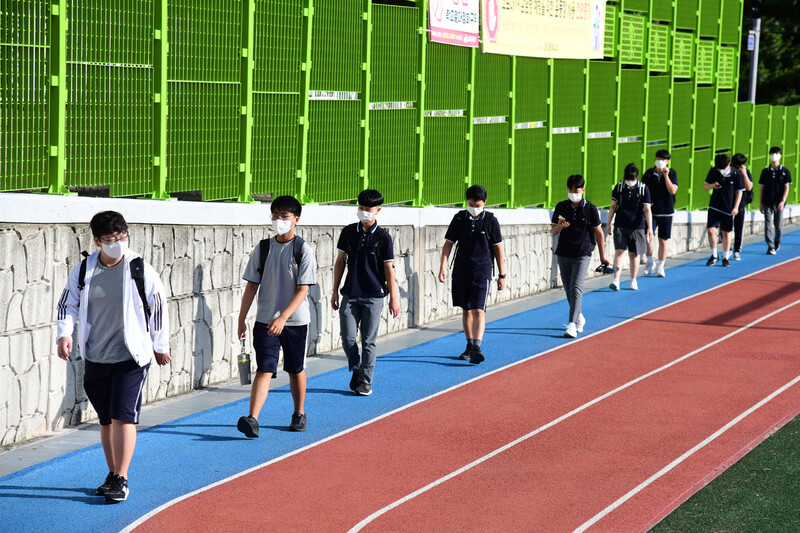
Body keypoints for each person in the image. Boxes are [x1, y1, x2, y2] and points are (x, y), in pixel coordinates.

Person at [56, 211, 171, 504]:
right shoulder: (84, 271)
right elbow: (68, 304)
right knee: (106, 420)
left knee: (123, 417)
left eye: (122, 237)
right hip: (96, 355)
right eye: (110, 239)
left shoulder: (139, 268)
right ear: (97, 241)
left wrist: (160, 345)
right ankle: (112, 474)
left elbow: (157, 307)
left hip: (131, 356)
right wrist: (64, 334)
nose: (117, 242)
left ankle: (122, 477)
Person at [237, 196, 317, 436]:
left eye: (284, 216)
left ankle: (299, 412)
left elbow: (303, 290)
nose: (279, 221)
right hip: (265, 321)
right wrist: (242, 318)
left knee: (295, 369)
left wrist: (283, 317)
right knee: (264, 369)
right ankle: (252, 419)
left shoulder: (303, 250)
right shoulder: (263, 248)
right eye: (275, 216)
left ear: (296, 220)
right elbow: (251, 286)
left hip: (294, 322)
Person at [331, 189, 400, 396]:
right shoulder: (349, 232)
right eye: (360, 208)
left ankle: (365, 382)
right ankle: (357, 368)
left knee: (368, 341)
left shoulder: (383, 237)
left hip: (374, 296)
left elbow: (389, 269)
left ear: (378, 210)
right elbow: (340, 262)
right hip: (350, 294)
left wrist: (393, 299)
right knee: (347, 338)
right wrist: (334, 291)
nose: (364, 212)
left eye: (368, 209)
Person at [438, 185, 505, 364]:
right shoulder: (459, 218)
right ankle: (469, 345)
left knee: (478, 310)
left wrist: (502, 275)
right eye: (470, 203)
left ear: (484, 203)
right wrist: (443, 267)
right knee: (466, 310)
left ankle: (477, 346)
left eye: (477, 204)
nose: (473, 207)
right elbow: (448, 244)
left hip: (482, 272)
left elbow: (498, 248)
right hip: (461, 271)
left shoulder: (491, 220)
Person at [551, 175, 611, 338]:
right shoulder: (562, 207)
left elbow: (599, 233)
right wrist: (560, 227)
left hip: (583, 253)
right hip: (563, 253)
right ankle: (579, 317)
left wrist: (603, 256)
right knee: (568, 289)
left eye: (576, 190)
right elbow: (553, 230)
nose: (573, 193)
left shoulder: (590, 209)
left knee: (576, 287)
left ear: (583, 190)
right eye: (570, 190)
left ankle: (571, 324)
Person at [606, 163, 653, 291]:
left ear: (637, 177)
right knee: (619, 251)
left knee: (634, 254)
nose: (630, 181)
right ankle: (616, 280)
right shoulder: (620, 187)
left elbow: (647, 209)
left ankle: (633, 280)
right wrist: (609, 223)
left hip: (637, 226)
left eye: (633, 178)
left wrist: (650, 228)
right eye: (628, 178)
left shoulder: (643, 188)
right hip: (621, 224)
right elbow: (613, 206)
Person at [641, 149, 678, 277]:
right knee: (649, 237)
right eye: (658, 159)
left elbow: (672, 191)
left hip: (667, 212)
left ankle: (661, 266)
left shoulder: (672, 173)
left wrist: (666, 175)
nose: (660, 162)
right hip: (651, 212)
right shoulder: (648, 174)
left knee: (663, 240)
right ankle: (650, 262)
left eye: (663, 160)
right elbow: (643, 190)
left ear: (667, 161)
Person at [704, 154, 744, 267]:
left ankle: (725, 257)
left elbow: (740, 191)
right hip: (714, 206)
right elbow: (705, 186)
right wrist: (713, 185)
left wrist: (736, 207)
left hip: (728, 208)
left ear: (728, 164)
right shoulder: (714, 171)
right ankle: (714, 255)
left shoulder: (736, 173)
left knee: (726, 232)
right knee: (711, 230)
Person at [759, 146, 792, 254]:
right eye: (772, 153)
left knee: (778, 225)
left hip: (779, 202)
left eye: (776, 154)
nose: (774, 156)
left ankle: (777, 240)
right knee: (768, 224)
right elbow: (761, 188)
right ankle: (770, 246)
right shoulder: (765, 172)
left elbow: (787, 187)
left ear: (780, 156)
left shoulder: (785, 171)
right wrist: (760, 203)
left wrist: (783, 200)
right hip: (767, 201)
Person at [732, 153, 754, 260]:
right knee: (725, 228)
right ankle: (726, 250)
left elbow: (749, 187)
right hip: (728, 202)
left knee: (738, 228)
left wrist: (744, 173)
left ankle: (737, 250)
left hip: (740, 204)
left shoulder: (746, 172)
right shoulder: (729, 171)